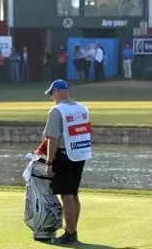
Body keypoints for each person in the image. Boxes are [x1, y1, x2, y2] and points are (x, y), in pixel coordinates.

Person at [42, 80, 92, 244]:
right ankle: (73, 230)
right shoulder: (82, 108)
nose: (52, 98)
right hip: (80, 155)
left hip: (64, 156)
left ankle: (70, 233)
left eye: (52, 94)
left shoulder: (57, 111)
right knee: (74, 194)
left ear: (57, 92)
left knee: (67, 196)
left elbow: (52, 140)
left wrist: (49, 163)